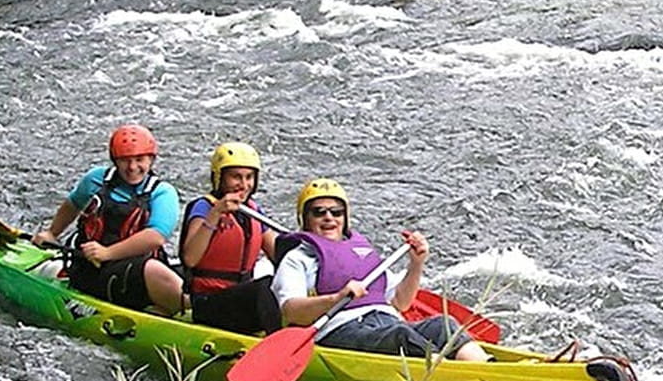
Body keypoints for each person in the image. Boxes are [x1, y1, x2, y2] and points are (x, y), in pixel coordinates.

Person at [273, 178, 490, 361]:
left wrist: (416, 264)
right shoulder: (298, 259)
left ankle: (487, 369)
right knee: (400, 335)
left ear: (345, 217)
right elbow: (291, 310)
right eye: (318, 212)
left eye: (336, 212)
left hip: (386, 321)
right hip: (340, 331)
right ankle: (453, 375)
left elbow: (400, 303)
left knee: (443, 325)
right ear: (305, 219)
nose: (329, 217)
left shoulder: (361, 253)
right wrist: (336, 298)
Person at [32, 123, 186, 314]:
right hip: (92, 270)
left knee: (188, 271)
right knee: (153, 269)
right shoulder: (96, 180)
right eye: (125, 160)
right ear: (115, 160)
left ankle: (194, 304)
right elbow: (73, 204)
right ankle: (185, 306)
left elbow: (156, 236)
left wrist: (107, 252)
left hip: (131, 267)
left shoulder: (162, 193)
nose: (132, 167)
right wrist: (52, 232)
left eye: (140, 159)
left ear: (151, 159)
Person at [178, 142, 282, 334]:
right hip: (207, 302)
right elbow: (191, 258)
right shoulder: (205, 208)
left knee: (280, 284)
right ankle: (279, 341)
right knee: (264, 287)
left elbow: (277, 253)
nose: (243, 185)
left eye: (249, 177)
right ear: (219, 178)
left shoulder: (253, 211)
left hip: (238, 297)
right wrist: (216, 214)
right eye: (236, 177)